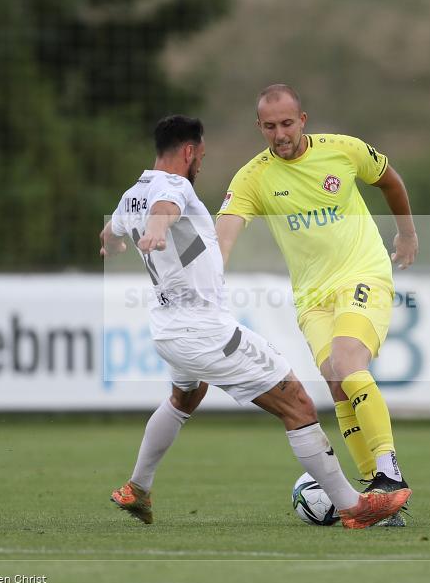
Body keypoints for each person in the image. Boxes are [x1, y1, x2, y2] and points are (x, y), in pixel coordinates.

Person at [99, 114, 410, 529]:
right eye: (201, 155)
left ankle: (137, 487)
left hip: (167, 329)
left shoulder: (132, 194)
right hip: (207, 331)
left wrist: (114, 242)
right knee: (298, 404)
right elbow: (165, 209)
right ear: (189, 151)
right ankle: (354, 506)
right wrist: (157, 229)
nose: (201, 163)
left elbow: (111, 230)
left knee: (183, 399)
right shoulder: (173, 187)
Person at [215, 85, 418, 526]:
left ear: (302, 120)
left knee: (346, 362)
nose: (280, 134)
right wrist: (213, 272)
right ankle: (378, 500)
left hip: (363, 274)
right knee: (336, 383)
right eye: (270, 126)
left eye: (287, 123)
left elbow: (389, 179)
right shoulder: (253, 177)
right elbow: (225, 231)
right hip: (311, 297)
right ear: (259, 127)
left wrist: (406, 233)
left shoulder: (343, 150)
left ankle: (389, 473)